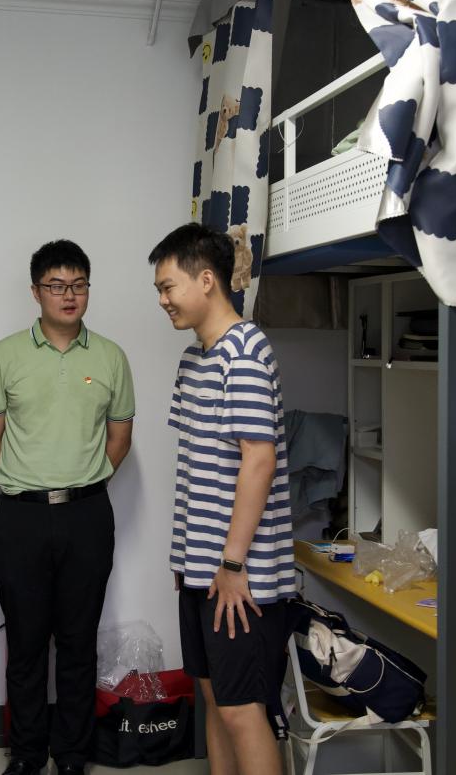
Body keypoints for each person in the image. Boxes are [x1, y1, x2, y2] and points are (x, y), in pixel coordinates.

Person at [0, 240, 135, 775]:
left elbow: (120, 438)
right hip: (19, 516)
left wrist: (86, 483)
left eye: (78, 285)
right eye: (57, 285)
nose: (69, 295)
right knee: (25, 644)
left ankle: (71, 755)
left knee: (77, 642)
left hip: (87, 515)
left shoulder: (111, 356)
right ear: (36, 291)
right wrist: (23, 485)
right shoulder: (4, 356)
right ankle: (26, 755)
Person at [148, 222, 294, 775]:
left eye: (168, 287)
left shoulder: (246, 353)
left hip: (239, 577)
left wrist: (232, 563)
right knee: (214, 699)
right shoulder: (195, 359)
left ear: (206, 280)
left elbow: (259, 461)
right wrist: (186, 559)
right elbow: (198, 465)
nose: (162, 300)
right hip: (202, 570)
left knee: (242, 711)